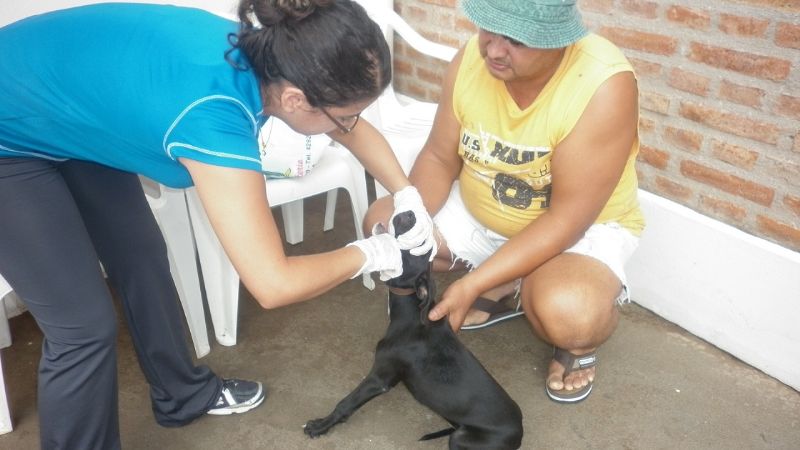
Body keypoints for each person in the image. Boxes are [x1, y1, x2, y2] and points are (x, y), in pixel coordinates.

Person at [0, 1, 435, 448]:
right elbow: (273, 283)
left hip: (64, 109)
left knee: (142, 256)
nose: (351, 125)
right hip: (8, 134)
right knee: (82, 328)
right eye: (346, 115)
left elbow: (345, 126)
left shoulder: (276, 55)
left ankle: (180, 395)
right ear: (294, 100)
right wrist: (372, 253)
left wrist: (406, 191)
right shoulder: (213, 117)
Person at [365, 0, 644, 404]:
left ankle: (554, 322)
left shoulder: (601, 84)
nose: (494, 50)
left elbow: (568, 218)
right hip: (482, 212)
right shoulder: (470, 61)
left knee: (571, 314)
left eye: (515, 40)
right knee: (386, 227)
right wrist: (411, 225)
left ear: (558, 41)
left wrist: (471, 284)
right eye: (488, 31)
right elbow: (440, 158)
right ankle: (509, 279)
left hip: (574, 231)